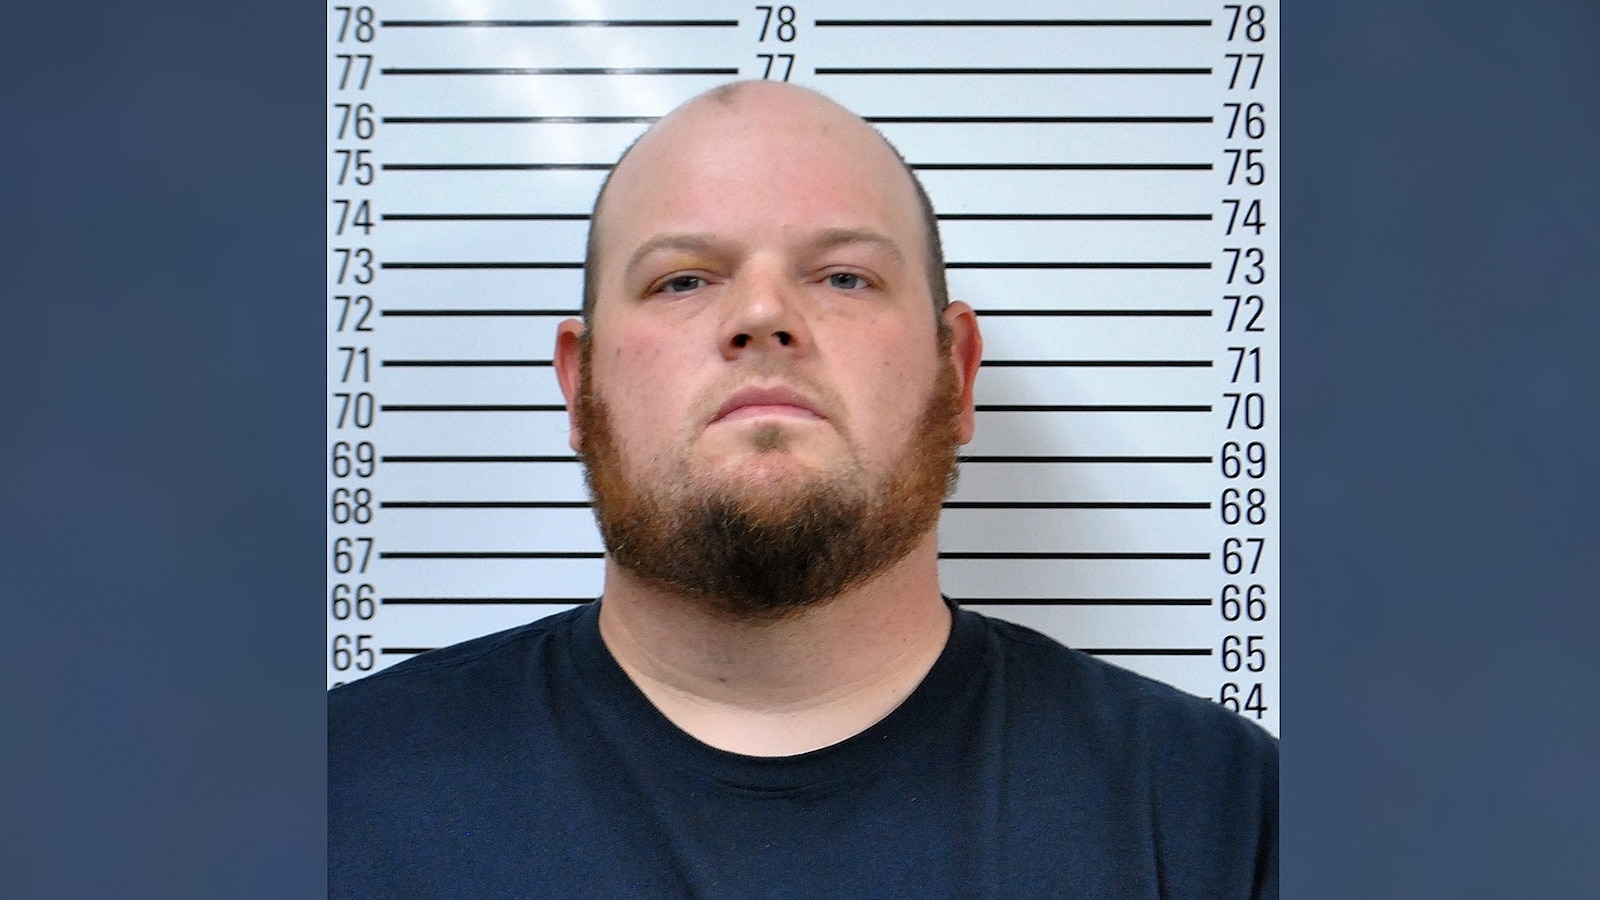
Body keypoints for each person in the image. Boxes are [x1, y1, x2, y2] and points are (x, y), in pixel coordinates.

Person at [329, 80, 1278, 898]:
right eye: (682, 280)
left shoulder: (1223, 817)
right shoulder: (331, 796)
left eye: (845, 278)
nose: (762, 315)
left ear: (956, 375)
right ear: (580, 389)